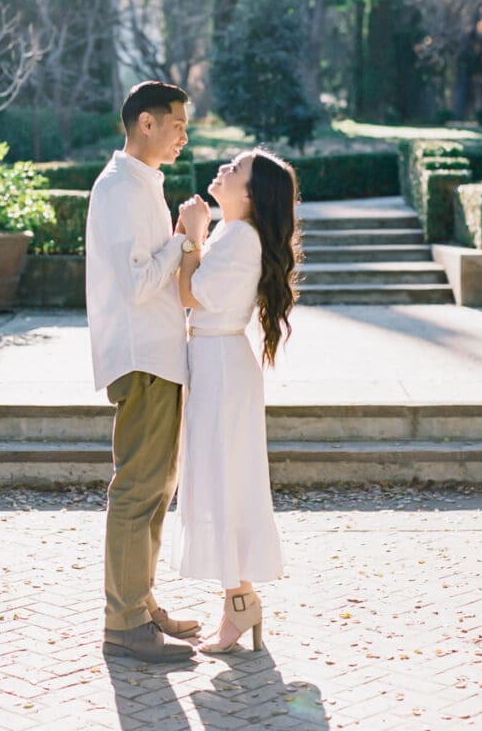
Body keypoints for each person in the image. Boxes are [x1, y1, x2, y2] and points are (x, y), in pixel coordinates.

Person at [85, 80, 201, 664]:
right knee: (138, 488)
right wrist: (183, 243)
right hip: (142, 357)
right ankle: (124, 621)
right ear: (146, 123)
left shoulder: (140, 185)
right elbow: (135, 284)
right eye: (178, 122)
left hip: (158, 356)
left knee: (157, 489)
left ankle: (140, 601)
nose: (185, 134)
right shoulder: (120, 189)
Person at [171, 148, 299, 653]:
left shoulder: (238, 237)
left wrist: (190, 236)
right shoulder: (235, 235)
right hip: (216, 363)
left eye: (236, 169)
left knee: (223, 479)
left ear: (248, 194)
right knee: (218, 478)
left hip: (221, 365)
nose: (223, 169)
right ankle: (238, 602)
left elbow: (189, 293)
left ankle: (241, 602)